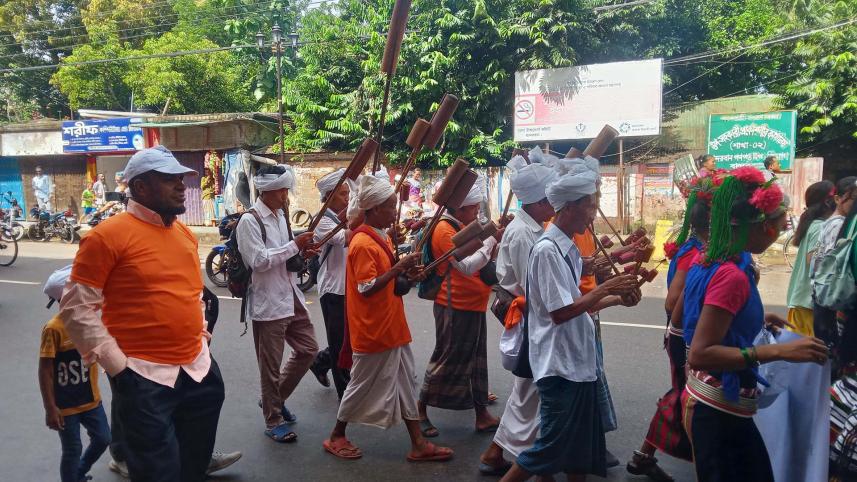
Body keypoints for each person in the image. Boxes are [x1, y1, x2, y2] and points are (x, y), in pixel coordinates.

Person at [60, 146, 226, 482]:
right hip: (143, 376)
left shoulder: (183, 234)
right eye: (169, 179)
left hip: (197, 369)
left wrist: (202, 338)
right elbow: (77, 308)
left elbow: (193, 294)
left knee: (193, 467)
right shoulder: (106, 236)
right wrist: (119, 368)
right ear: (140, 188)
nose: (181, 185)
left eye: (181, 178)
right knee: (157, 473)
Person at [678, 166, 828, 482]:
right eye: (776, 226)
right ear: (756, 227)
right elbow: (701, 353)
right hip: (718, 412)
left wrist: (756, 320)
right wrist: (778, 353)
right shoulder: (731, 275)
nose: (777, 235)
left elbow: (710, 317)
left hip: (718, 406)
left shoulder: (711, 257)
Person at [501, 157, 641, 482]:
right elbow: (561, 312)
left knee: (580, 448)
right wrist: (606, 287)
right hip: (559, 365)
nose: (594, 214)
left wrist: (619, 298)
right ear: (569, 208)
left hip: (579, 362)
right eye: (590, 207)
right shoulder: (548, 249)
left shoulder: (568, 248)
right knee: (549, 448)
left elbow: (583, 305)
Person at [323, 173, 453, 463]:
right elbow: (366, 288)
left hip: (391, 325)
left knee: (407, 382)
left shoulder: (377, 238)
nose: (394, 212)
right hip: (374, 330)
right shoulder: (362, 244)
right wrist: (398, 269)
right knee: (359, 385)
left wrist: (407, 272)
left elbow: (391, 280)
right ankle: (336, 435)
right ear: (373, 210)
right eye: (389, 206)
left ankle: (418, 444)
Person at [627, 173, 719, 481]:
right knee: (686, 395)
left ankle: (645, 454)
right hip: (688, 339)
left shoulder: (700, 247)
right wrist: (691, 335)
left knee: (684, 394)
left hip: (693, 337)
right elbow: (672, 302)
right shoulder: (694, 251)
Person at [478, 158, 557, 476]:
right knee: (530, 390)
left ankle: (499, 453)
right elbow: (533, 286)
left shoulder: (530, 227)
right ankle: (526, 459)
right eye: (551, 198)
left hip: (532, 318)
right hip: (529, 317)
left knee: (529, 391)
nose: (554, 204)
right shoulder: (524, 233)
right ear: (540, 202)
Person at [236, 163, 319, 443]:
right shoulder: (250, 221)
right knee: (270, 367)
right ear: (269, 192)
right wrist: (295, 246)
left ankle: (275, 398)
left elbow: (285, 254)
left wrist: (302, 248)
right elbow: (259, 261)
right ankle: (273, 419)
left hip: (290, 293)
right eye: (283, 191)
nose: (287, 196)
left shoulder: (281, 215)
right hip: (268, 301)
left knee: (309, 350)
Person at [419, 174, 502, 438]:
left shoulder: (461, 225)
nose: (476, 213)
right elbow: (465, 266)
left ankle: (481, 414)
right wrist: (489, 242)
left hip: (473, 303)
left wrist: (492, 241)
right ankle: (419, 409)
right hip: (454, 304)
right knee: (447, 358)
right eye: (473, 208)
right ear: (460, 208)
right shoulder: (444, 230)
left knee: (476, 362)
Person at [39, 265, 110, 482]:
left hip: (91, 401)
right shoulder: (54, 329)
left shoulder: (91, 321)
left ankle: (78, 473)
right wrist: (50, 408)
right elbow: (45, 371)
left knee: (103, 439)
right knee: (72, 449)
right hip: (65, 405)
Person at [309, 167, 352, 399]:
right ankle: (345, 393)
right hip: (333, 288)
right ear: (329, 196)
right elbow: (343, 239)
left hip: (348, 286)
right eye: (343, 194)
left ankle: (319, 362)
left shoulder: (342, 217)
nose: (347, 198)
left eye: (347, 194)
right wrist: (360, 218)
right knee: (340, 342)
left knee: (350, 338)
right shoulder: (322, 220)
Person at [785, 181, 835, 337]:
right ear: (828, 201)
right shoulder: (820, 226)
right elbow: (813, 263)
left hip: (802, 302)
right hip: (807, 304)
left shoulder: (813, 224)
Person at [812, 177, 857, 344]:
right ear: (838, 199)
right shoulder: (840, 225)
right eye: (854, 199)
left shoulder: (829, 222)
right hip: (834, 297)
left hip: (823, 294)